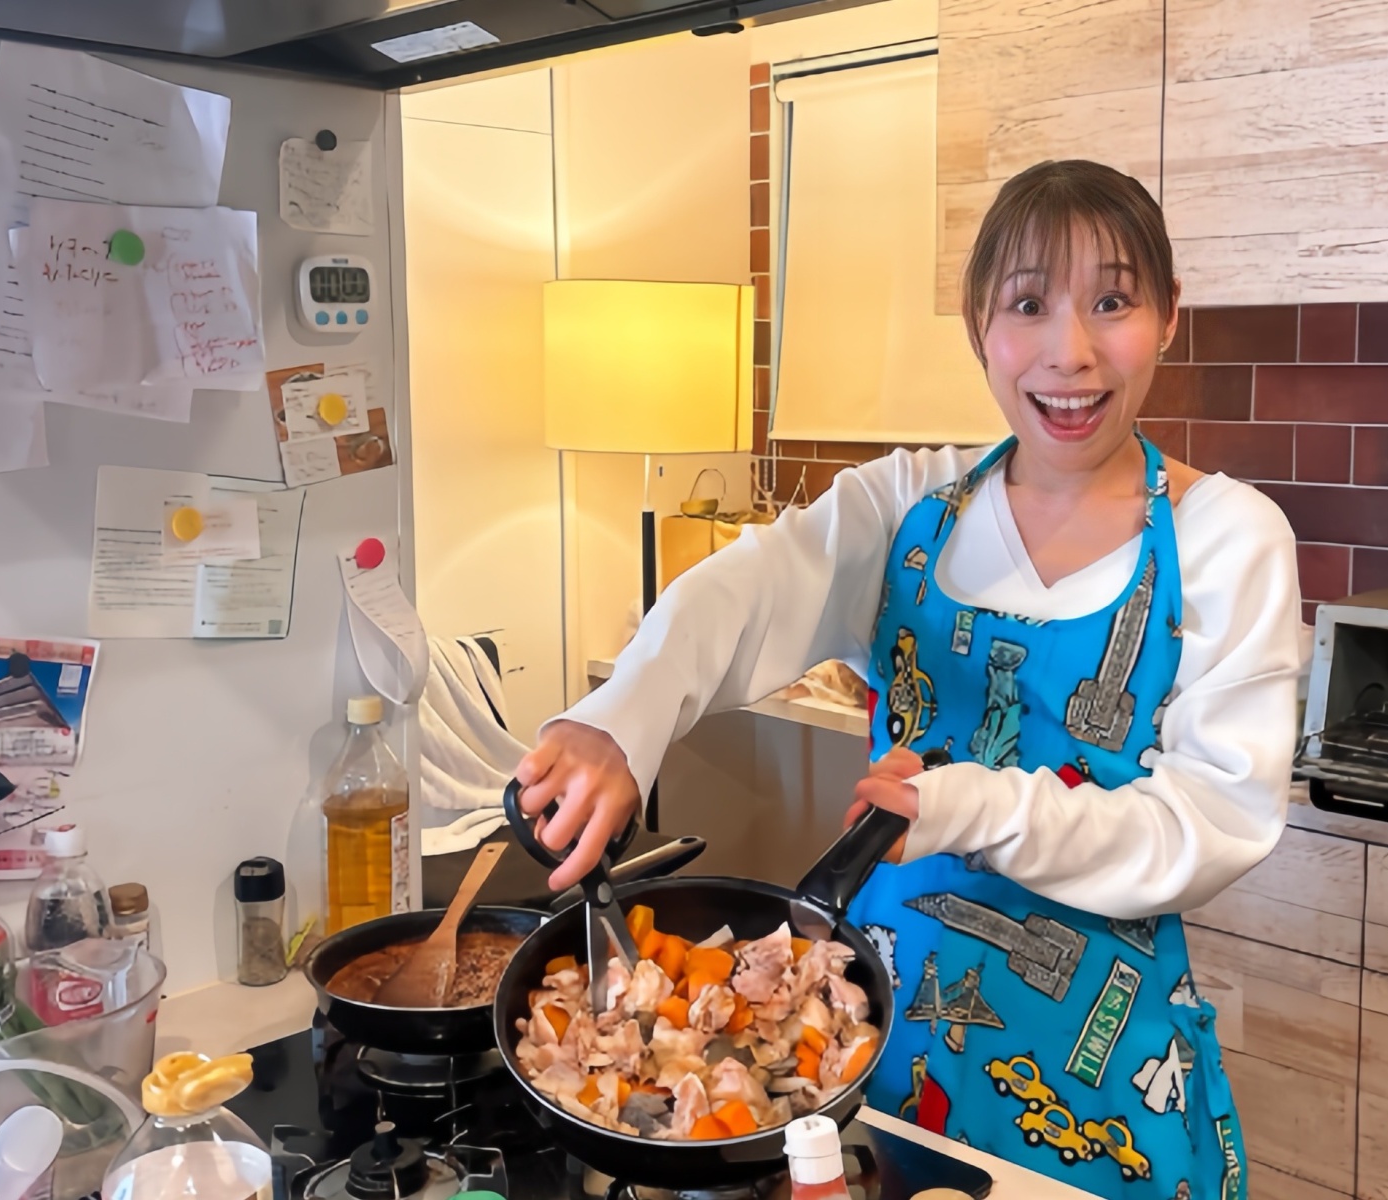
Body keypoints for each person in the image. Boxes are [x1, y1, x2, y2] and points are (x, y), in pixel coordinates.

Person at [514, 159, 1302, 1198]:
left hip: (1103, 1071)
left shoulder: (1223, 537)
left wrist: (970, 805)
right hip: (866, 1047)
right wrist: (620, 720)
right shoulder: (912, 505)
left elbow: (1207, 822)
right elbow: (743, 589)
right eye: (1028, 305)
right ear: (980, 325)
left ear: (1165, 318)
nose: (1071, 353)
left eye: (1111, 302)